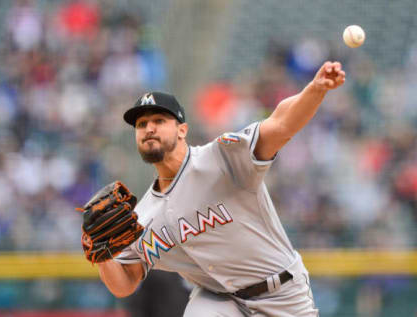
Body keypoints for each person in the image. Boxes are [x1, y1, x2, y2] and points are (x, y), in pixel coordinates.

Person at [98, 61, 345, 316]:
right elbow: (126, 281)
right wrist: (102, 254)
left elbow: (280, 124)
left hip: (281, 293)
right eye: (140, 124)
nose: (148, 128)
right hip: (218, 300)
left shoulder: (221, 158)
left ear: (182, 130)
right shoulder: (144, 215)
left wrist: (316, 90)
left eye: (159, 120)